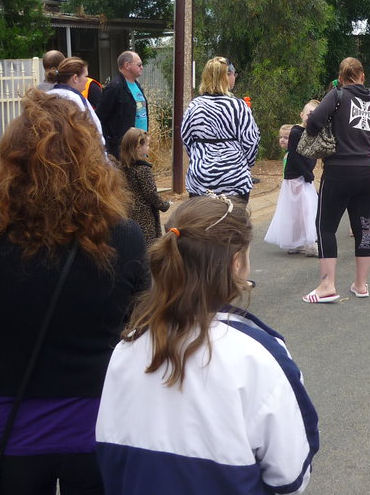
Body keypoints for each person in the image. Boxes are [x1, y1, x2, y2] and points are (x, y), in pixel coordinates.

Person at [0, 91, 149, 494]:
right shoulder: (124, 235)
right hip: (99, 421)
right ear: (92, 159)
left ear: (12, 159)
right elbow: (145, 332)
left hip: (9, 423)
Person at [95, 196, 318, 494]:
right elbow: (290, 475)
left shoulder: (127, 347)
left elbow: (109, 458)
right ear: (237, 263)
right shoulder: (258, 356)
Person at [302, 58, 370, 303]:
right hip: (369, 169)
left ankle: (327, 285)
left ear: (341, 77)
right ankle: (361, 284)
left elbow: (314, 121)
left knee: (325, 227)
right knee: (363, 227)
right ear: (363, 76)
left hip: (340, 169)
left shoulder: (337, 95)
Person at [180, 57, 260, 201]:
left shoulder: (194, 106)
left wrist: (200, 158)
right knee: (234, 216)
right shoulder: (238, 106)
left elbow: (186, 139)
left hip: (200, 180)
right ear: (226, 75)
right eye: (234, 74)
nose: (234, 77)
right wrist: (244, 164)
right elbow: (251, 141)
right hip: (234, 179)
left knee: (201, 216)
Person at [265, 103, 319, 257]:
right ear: (302, 115)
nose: (311, 117)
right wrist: (306, 173)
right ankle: (308, 243)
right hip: (297, 177)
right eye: (308, 114)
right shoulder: (296, 132)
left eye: (314, 114)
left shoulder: (312, 132)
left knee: (304, 209)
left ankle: (299, 242)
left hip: (304, 176)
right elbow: (294, 156)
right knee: (304, 209)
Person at [120, 128, 170, 242]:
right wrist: (164, 205)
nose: (149, 148)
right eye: (147, 145)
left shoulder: (121, 167)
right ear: (138, 147)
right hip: (144, 217)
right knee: (148, 245)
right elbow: (151, 193)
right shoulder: (143, 170)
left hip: (127, 213)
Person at [97, 50, 148, 159]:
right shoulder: (114, 88)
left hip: (140, 145)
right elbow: (100, 117)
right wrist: (110, 144)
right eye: (139, 65)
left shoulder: (137, 85)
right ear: (127, 65)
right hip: (123, 149)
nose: (142, 67)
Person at [48, 56, 105, 146]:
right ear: (75, 78)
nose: (87, 80)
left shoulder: (47, 96)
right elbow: (95, 130)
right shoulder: (77, 100)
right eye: (85, 76)